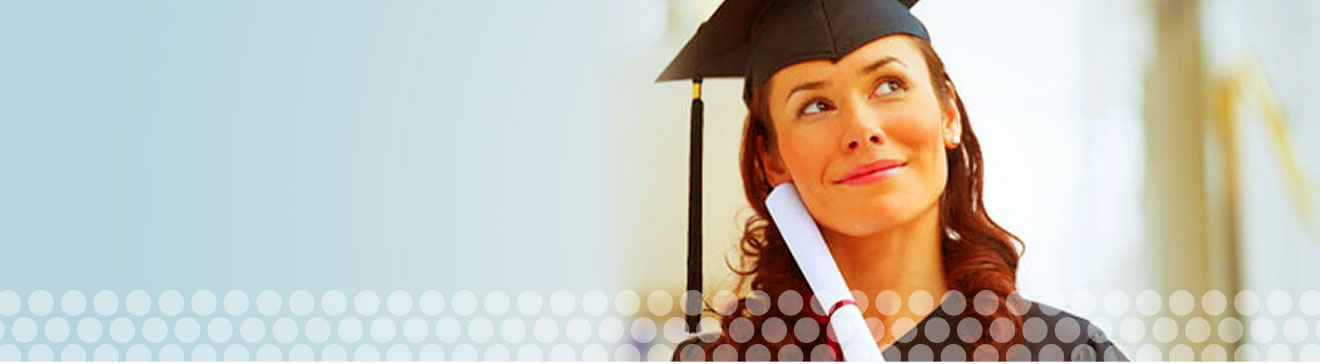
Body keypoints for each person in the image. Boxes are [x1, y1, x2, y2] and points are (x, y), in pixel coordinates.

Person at [656, 0, 1128, 361]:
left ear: (947, 113)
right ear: (771, 159)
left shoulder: (1062, 352)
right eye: (815, 106)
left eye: (889, 85)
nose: (861, 129)